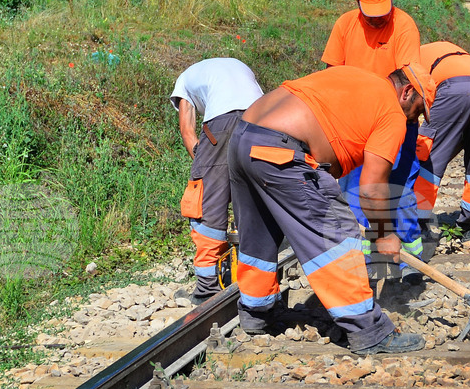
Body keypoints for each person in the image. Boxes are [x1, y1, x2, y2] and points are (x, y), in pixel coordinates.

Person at [228, 63, 435, 355]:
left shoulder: (357, 76)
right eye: (417, 110)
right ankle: (368, 330)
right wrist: (383, 234)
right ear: (407, 92)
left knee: (258, 230)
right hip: (281, 150)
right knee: (336, 233)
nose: (415, 119)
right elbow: (372, 187)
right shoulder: (391, 111)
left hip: (242, 138)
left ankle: (256, 312)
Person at [321, 0, 425, 261]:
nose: (376, 18)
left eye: (381, 11)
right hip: (353, 125)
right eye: (369, 12)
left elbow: (408, 80)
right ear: (356, 1)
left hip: (395, 118)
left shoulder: (403, 25)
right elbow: (331, 77)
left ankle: (410, 262)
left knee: (399, 188)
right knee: (355, 191)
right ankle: (363, 261)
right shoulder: (345, 25)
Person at [171, 58, 263, 300]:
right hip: (264, 117)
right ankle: (257, 280)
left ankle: (207, 286)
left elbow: (187, 130)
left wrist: (205, 168)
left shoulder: (183, 83)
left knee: (205, 199)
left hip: (223, 120)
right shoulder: (234, 67)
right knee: (255, 196)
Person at [412, 41, 470, 243]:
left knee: (429, 157)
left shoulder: (410, 60)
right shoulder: (446, 49)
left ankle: (416, 221)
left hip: (454, 88)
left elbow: (412, 103)